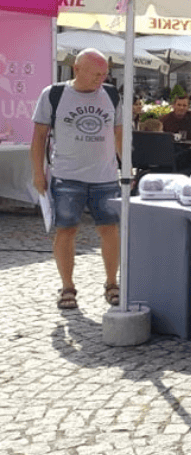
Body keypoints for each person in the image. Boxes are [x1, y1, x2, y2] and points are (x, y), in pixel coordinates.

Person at [29, 48, 125, 310]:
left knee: (109, 230)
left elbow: (119, 136)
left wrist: (128, 168)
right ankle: (67, 287)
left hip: (105, 177)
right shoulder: (54, 94)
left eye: (104, 74)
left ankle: (111, 283)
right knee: (66, 230)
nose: (100, 79)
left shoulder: (112, 95)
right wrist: (38, 173)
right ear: (77, 69)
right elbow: (38, 137)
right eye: (96, 74)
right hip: (67, 176)